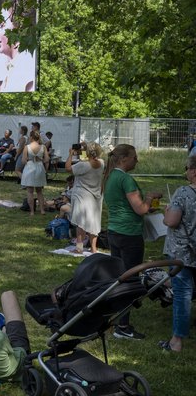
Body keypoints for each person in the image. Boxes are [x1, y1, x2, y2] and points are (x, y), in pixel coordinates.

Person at [103, 144, 161, 340]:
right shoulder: (126, 179)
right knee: (130, 280)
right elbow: (140, 209)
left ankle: (114, 318)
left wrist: (147, 205)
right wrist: (151, 198)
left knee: (119, 277)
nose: (137, 160)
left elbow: (126, 205)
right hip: (129, 235)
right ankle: (123, 326)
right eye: (134, 157)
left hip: (114, 231)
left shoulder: (110, 177)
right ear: (124, 159)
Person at [161, 155, 196, 352]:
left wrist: (167, 213)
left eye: (187, 168)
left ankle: (177, 340)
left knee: (182, 293)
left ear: (194, 171)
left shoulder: (183, 193)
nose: (186, 172)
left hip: (182, 251)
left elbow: (172, 221)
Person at [65, 142, 105, 254]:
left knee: (80, 222)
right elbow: (86, 159)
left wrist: (70, 154)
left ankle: (79, 248)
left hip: (81, 195)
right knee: (94, 222)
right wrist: (85, 147)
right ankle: (93, 248)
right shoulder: (101, 163)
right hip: (96, 195)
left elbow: (68, 168)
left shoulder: (83, 165)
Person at [21, 130, 49, 215]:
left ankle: (32, 211)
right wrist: (42, 163)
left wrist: (29, 161)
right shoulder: (43, 147)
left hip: (30, 167)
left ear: (32, 137)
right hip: (39, 167)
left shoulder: (27, 147)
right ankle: (42, 210)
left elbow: (23, 160)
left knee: (30, 191)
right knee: (39, 191)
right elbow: (47, 159)